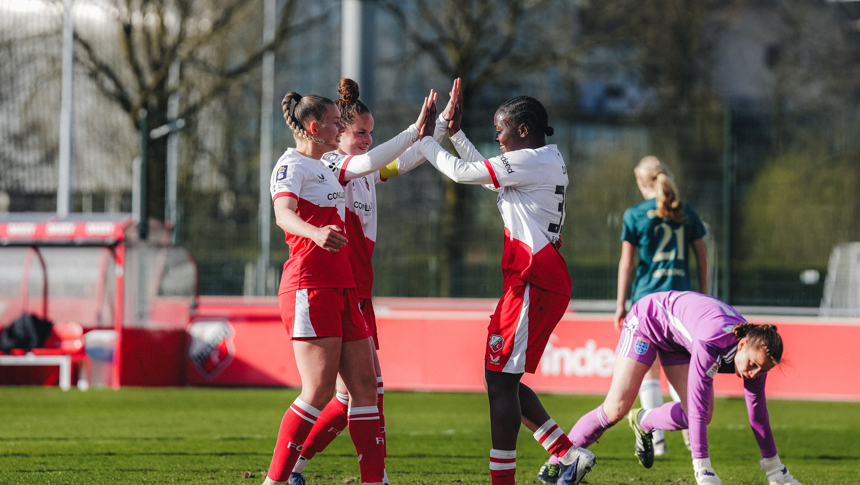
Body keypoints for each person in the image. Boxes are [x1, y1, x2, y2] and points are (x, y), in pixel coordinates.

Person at [414, 79, 596, 485]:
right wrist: (456, 134)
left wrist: (425, 140)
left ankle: (510, 478)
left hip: (534, 278)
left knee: (500, 381)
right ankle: (567, 454)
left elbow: (463, 175)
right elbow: (477, 172)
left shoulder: (534, 161)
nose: (496, 136)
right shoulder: (540, 160)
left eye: (501, 129)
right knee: (500, 378)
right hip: (531, 279)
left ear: (524, 130)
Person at [262, 88, 436, 485]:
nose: (342, 127)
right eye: (336, 123)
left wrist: (420, 130)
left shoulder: (330, 166)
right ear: (313, 127)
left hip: (343, 287)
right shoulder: (291, 166)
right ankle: (276, 481)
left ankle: (375, 480)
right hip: (311, 285)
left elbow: (376, 162)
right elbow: (283, 215)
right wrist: (315, 232)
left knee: (365, 389)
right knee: (319, 392)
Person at [565, 290, 803, 485]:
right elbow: (696, 407)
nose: (753, 374)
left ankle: (643, 420)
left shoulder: (757, 354)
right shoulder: (712, 342)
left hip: (677, 341)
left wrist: (776, 471)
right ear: (741, 345)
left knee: (703, 414)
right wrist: (703, 470)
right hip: (648, 322)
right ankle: (558, 461)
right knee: (616, 408)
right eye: (752, 366)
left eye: (761, 370)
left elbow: (758, 414)